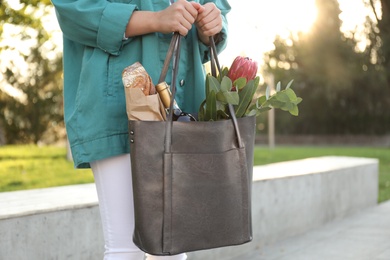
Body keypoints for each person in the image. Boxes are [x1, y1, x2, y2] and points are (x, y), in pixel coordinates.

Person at [51, 0, 231, 259]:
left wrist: (213, 24)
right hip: (117, 105)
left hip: (183, 106)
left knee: (172, 245)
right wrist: (156, 20)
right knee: (126, 248)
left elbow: (218, 11)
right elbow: (73, 9)